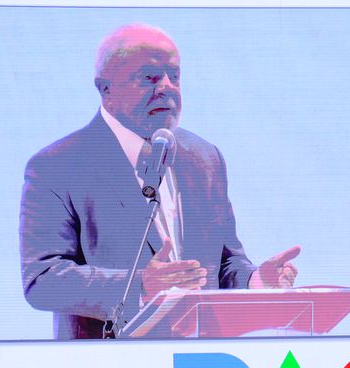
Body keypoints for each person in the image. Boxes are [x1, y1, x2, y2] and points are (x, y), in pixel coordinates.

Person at [20, 23, 300, 339]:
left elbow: (225, 263)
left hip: (200, 359)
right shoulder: (57, 165)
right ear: (105, 88)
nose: (167, 87)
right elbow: (42, 280)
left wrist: (256, 281)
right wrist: (140, 286)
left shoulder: (204, 158)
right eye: (150, 77)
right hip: (109, 363)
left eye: (175, 77)